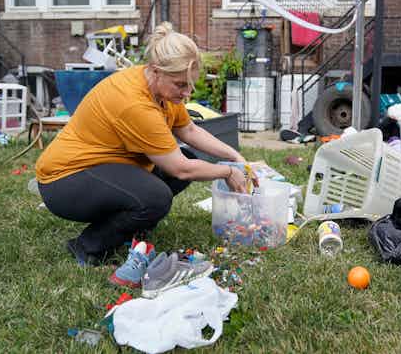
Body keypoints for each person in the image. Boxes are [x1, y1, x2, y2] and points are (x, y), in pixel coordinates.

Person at [36, 22, 247, 266]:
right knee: (157, 197)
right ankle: (87, 246)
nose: (187, 93)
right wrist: (228, 171)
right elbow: (181, 168)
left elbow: (188, 129)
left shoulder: (160, 88)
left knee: (186, 159)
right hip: (64, 180)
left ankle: (132, 228)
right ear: (156, 71)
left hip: (102, 166)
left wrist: (234, 156)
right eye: (181, 85)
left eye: (189, 84)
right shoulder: (135, 103)